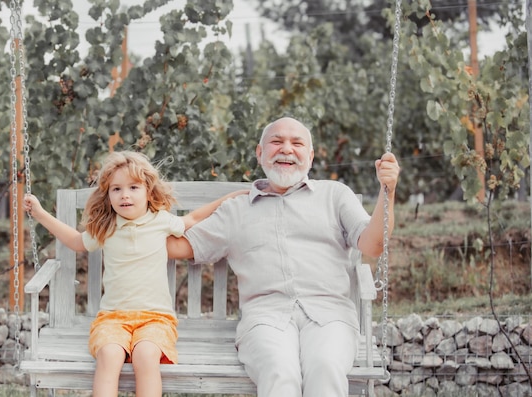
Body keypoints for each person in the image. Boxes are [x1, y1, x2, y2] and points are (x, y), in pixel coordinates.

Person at [167, 116, 400, 397]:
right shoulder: (236, 210)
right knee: (280, 372)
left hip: (330, 316)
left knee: (324, 367)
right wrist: (122, 223)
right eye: (276, 142)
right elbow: (176, 247)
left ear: (310, 156)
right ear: (260, 153)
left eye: (297, 143)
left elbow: (374, 245)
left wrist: (388, 191)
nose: (286, 149)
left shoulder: (334, 195)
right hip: (265, 320)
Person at [23, 150, 246, 397]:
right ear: (108, 196)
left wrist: (230, 198)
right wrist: (39, 213)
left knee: (146, 354)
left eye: (133, 187)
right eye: (116, 189)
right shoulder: (106, 228)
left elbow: (192, 217)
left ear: (149, 192)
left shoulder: (161, 221)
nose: (124, 195)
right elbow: (76, 242)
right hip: (112, 317)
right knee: (108, 355)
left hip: (156, 318)